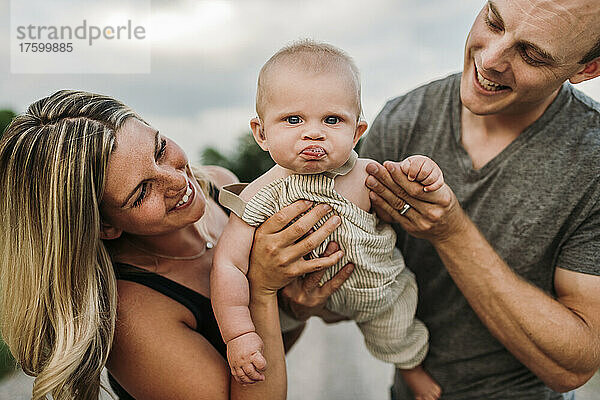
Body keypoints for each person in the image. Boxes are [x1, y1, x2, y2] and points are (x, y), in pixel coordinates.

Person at [0, 90, 351, 400]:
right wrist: (260, 290)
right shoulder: (133, 312)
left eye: (160, 148)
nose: (177, 180)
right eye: (141, 192)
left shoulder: (219, 186)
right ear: (105, 225)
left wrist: (296, 308)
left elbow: (268, 357)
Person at [345, 0, 600, 398]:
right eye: (494, 21)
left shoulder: (594, 160)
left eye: (532, 54)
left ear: (586, 69)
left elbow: (574, 366)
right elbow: (353, 286)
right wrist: (288, 289)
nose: (491, 58)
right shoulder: (402, 119)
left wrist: (452, 233)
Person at [211, 41, 444, 400]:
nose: (313, 132)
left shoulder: (366, 174)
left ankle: (409, 369)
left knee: (399, 331)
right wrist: (239, 333)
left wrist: (421, 171)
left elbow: (407, 195)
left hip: (383, 288)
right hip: (315, 295)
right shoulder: (260, 194)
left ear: (357, 132)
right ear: (261, 133)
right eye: (293, 120)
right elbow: (228, 265)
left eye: (332, 120)